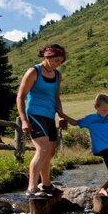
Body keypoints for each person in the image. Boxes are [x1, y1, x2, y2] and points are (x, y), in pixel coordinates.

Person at [17, 44, 78, 198]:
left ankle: (46, 184)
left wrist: (61, 117)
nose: (58, 63)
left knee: (49, 152)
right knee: (42, 149)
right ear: (47, 57)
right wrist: (24, 120)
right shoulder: (33, 71)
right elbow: (20, 97)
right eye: (56, 60)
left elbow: (56, 96)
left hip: (50, 115)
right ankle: (31, 188)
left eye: (61, 61)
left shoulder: (57, 75)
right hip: (35, 114)